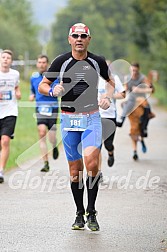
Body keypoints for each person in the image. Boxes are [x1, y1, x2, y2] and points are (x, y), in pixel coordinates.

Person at [38, 23, 115, 231]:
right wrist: (54, 90)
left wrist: (107, 96)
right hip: (69, 119)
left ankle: (92, 211)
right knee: (75, 170)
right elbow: (42, 85)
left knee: (91, 163)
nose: (79, 39)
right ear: (69, 39)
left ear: (89, 39)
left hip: (91, 118)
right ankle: (79, 212)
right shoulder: (61, 62)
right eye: (75, 36)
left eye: (83, 35)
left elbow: (111, 82)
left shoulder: (97, 61)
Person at [117, 62, 154, 160]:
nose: (134, 72)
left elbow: (151, 89)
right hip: (132, 101)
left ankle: (144, 128)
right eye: (132, 70)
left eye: (136, 71)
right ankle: (134, 151)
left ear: (138, 70)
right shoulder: (127, 78)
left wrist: (139, 90)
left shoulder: (142, 78)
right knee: (133, 128)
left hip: (141, 101)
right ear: (130, 70)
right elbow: (125, 90)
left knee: (147, 109)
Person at [29, 55, 59, 172]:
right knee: (41, 133)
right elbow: (33, 90)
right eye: (39, 62)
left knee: (51, 136)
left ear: (47, 64)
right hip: (40, 108)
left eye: (43, 62)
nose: (41, 64)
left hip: (53, 108)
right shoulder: (34, 77)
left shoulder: (53, 77)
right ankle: (46, 163)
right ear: (37, 64)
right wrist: (32, 95)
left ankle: (54, 144)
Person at [98, 61, 125, 169]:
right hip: (95, 116)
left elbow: (123, 94)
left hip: (109, 115)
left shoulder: (114, 78)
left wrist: (109, 96)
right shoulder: (92, 78)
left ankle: (110, 153)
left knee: (108, 144)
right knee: (96, 146)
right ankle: (97, 173)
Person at [0, 49, 21, 183]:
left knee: (5, 141)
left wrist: (18, 92)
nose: (5, 59)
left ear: (11, 61)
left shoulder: (15, 74)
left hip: (10, 111)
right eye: (3, 57)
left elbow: (17, 87)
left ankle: (1, 171)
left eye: (8, 58)